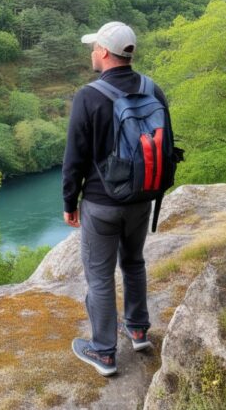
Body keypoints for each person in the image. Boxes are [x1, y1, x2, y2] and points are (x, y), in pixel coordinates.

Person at [63, 21, 171, 377]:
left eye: (94, 47)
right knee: (134, 262)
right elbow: (166, 144)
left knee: (99, 276)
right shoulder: (153, 89)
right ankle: (138, 330)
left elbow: (74, 157)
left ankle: (104, 352)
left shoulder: (89, 96)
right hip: (142, 199)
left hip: (101, 203)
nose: (91, 52)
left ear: (105, 53)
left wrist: (69, 202)